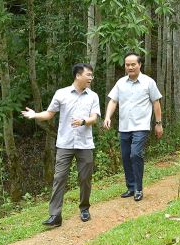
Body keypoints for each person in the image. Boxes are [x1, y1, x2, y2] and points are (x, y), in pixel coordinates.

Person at [21, 63, 100, 227]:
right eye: (89, 75)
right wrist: (35, 114)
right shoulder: (61, 94)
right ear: (78, 75)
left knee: (85, 178)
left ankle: (84, 208)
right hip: (64, 143)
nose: (91, 78)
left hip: (85, 144)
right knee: (59, 178)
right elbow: (49, 114)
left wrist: (84, 121)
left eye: (92, 75)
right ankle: (55, 215)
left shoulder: (93, 96)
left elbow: (94, 118)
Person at [103, 52, 163, 202]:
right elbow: (113, 101)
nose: (130, 67)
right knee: (125, 157)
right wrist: (107, 117)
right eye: (127, 65)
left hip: (141, 125)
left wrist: (158, 124)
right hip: (124, 126)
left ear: (140, 65)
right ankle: (130, 187)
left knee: (135, 154)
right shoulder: (121, 83)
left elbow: (156, 103)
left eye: (133, 64)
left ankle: (138, 188)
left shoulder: (148, 82)